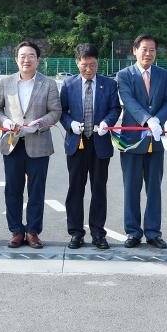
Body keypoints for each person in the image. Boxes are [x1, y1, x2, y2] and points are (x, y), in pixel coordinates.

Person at [0, 40, 62, 249]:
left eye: (31, 56)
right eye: (22, 56)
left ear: (38, 60)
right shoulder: (5, 83)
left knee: (36, 191)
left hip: (39, 144)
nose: (26, 60)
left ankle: (33, 232)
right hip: (12, 143)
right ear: (16, 59)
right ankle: (16, 231)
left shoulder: (48, 83)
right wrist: (5, 122)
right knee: (12, 190)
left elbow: (56, 112)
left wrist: (40, 123)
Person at [59, 44, 121, 250]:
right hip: (76, 143)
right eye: (84, 65)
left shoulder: (109, 84)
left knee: (99, 189)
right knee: (75, 189)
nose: (88, 69)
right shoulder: (68, 84)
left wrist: (106, 123)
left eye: (92, 65)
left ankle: (98, 233)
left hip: (99, 142)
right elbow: (62, 111)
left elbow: (115, 108)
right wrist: (70, 124)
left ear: (98, 62)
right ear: (77, 62)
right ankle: (76, 233)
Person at [115, 34, 167, 249]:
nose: (148, 54)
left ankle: (153, 232)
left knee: (154, 189)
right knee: (131, 188)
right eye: (144, 49)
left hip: (155, 141)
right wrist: (148, 119)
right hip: (131, 142)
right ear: (135, 50)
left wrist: (158, 120)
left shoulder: (162, 75)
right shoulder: (124, 75)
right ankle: (133, 232)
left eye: (152, 50)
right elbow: (128, 101)